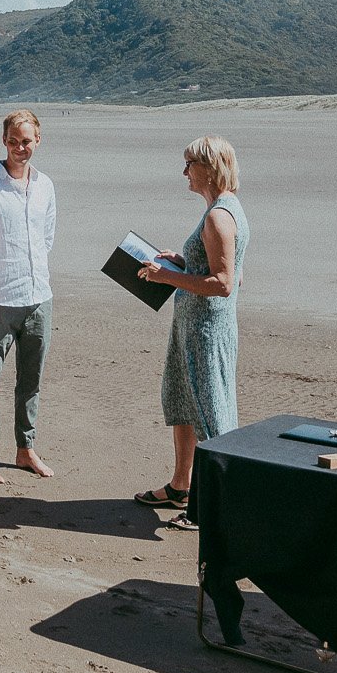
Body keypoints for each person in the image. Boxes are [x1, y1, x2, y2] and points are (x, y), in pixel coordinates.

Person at [134, 135, 248, 532]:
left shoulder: (220, 215)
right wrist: (180, 262)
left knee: (211, 414)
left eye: (189, 165)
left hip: (205, 328)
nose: (184, 172)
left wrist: (167, 276)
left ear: (210, 168)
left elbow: (222, 282)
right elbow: (207, 266)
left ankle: (217, 505)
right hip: (193, 324)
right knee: (183, 402)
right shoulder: (218, 210)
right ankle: (182, 486)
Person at [0, 108, 58, 483]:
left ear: (38, 140)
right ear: (4, 141)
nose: (21, 148)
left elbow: (46, 238)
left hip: (38, 298)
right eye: (14, 141)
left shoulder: (46, 186)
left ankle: (25, 449)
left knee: (30, 381)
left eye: (28, 141)